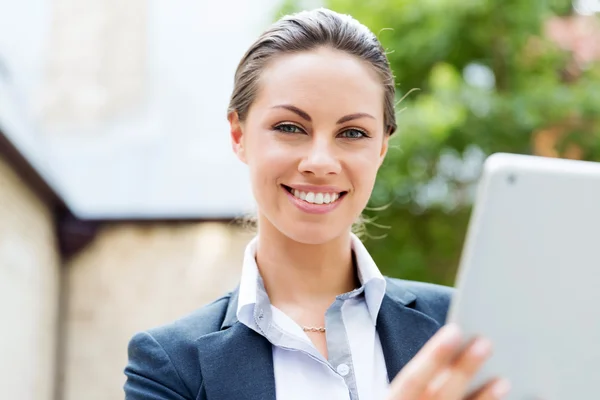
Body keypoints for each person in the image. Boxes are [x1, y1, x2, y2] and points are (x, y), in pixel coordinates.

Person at [123, 8, 510, 400]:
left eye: (353, 132)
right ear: (239, 135)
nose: (320, 162)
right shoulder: (169, 367)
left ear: (381, 148)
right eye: (290, 128)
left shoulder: (461, 328)